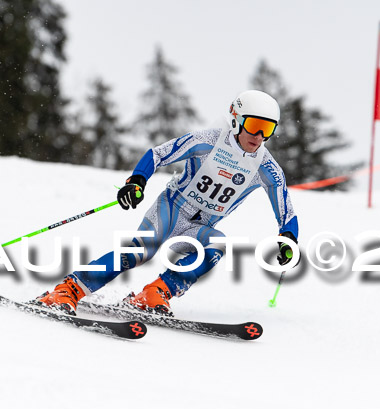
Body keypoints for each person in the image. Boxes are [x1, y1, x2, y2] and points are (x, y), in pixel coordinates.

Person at [35, 90, 299, 316]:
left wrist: (288, 239)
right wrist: (137, 181)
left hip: (200, 226)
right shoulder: (207, 141)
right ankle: (66, 290)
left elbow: (285, 209)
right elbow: (158, 154)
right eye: (254, 125)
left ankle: (153, 294)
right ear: (237, 120)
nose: (259, 136)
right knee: (138, 253)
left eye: (268, 129)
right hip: (172, 209)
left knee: (219, 244)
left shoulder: (266, 168)